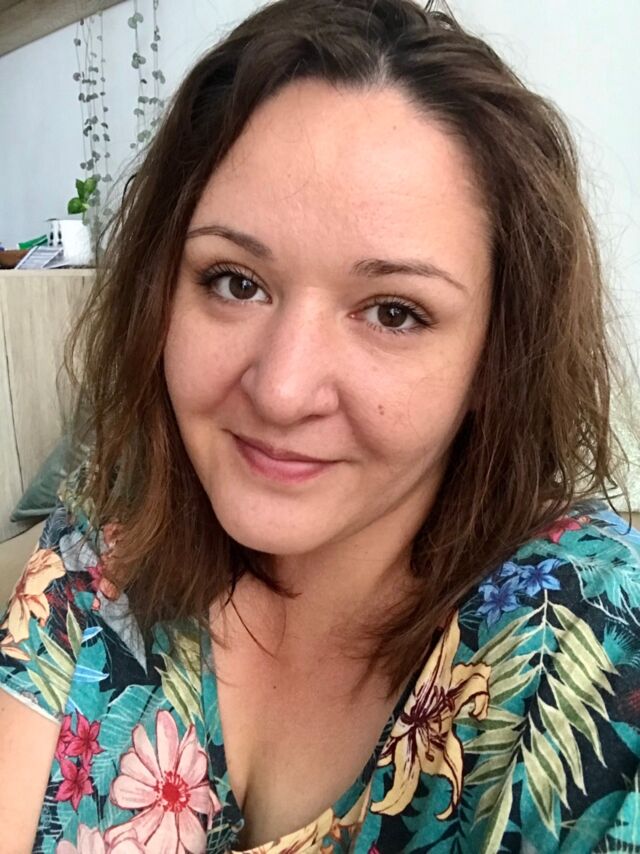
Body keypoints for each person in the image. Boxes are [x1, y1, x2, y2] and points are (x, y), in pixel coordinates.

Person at [1, 0, 638, 851]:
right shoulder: (108, 534)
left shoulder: (588, 645)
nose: (281, 390)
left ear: (496, 360)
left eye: (394, 311)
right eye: (235, 282)